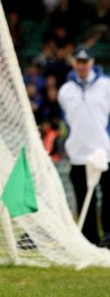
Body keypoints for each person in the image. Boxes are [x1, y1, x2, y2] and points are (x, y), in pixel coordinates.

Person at [57, 45, 110, 247]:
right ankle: (89, 238)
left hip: (104, 152)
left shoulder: (106, 86)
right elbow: (67, 122)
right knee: (83, 197)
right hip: (78, 153)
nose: (82, 66)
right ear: (74, 63)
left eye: (85, 62)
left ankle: (108, 235)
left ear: (92, 63)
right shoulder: (65, 90)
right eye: (78, 62)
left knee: (107, 196)